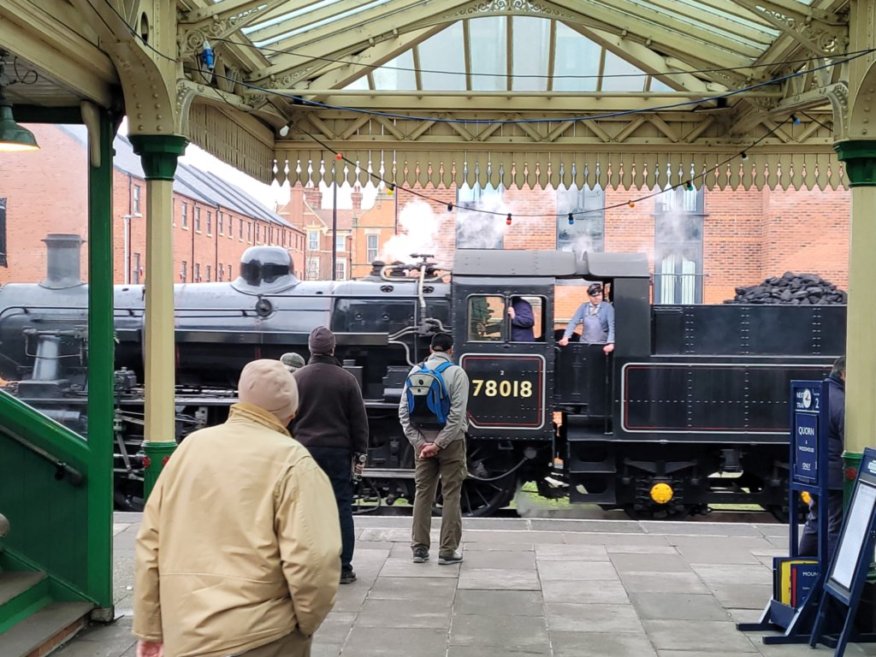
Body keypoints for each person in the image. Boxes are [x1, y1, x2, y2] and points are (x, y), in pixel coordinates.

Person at [133, 359, 341, 657]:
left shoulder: (190, 448)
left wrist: (151, 629)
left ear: (240, 398)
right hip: (263, 636)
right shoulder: (294, 462)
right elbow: (314, 559)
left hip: (186, 633)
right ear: (292, 414)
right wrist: (306, 622)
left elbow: (150, 542)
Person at [292, 326, 369, 585]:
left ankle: (307, 566)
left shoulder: (297, 378)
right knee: (341, 506)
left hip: (303, 450)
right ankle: (343, 567)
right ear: (333, 348)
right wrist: (360, 453)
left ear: (310, 349)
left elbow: (287, 417)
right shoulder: (346, 379)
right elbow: (359, 421)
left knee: (304, 508)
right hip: (337, 450)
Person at [398, 332, 470, 565]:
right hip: (452, 443)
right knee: (451, 494)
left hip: (422, 443)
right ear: (451, 350)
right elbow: (457, 415)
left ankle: (419, 548)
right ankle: (448, 551)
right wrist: (439, 444)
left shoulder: (414, 372)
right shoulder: (457, 373)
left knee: (423, 494)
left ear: (430, 348)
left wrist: (421, 444)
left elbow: (403, 413)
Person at [799, 355, 846, 559]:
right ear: (844, 374)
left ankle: (802, 562)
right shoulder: (843, 402)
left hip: (814, 470)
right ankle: (831, 574)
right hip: (835, 476)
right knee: (836, 525)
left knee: (815, 520)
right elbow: (849, 442)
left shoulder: (818, 393)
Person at [558, 282, 615, 353]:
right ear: (589, 296)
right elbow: (573, 322)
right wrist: (565, 338)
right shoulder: (583, 307)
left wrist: (611, 343)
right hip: (584, 344)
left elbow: (612, 325)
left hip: (601, 345)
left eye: (599, 295)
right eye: (594, 296)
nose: (597, 298)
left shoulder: (608, 308)